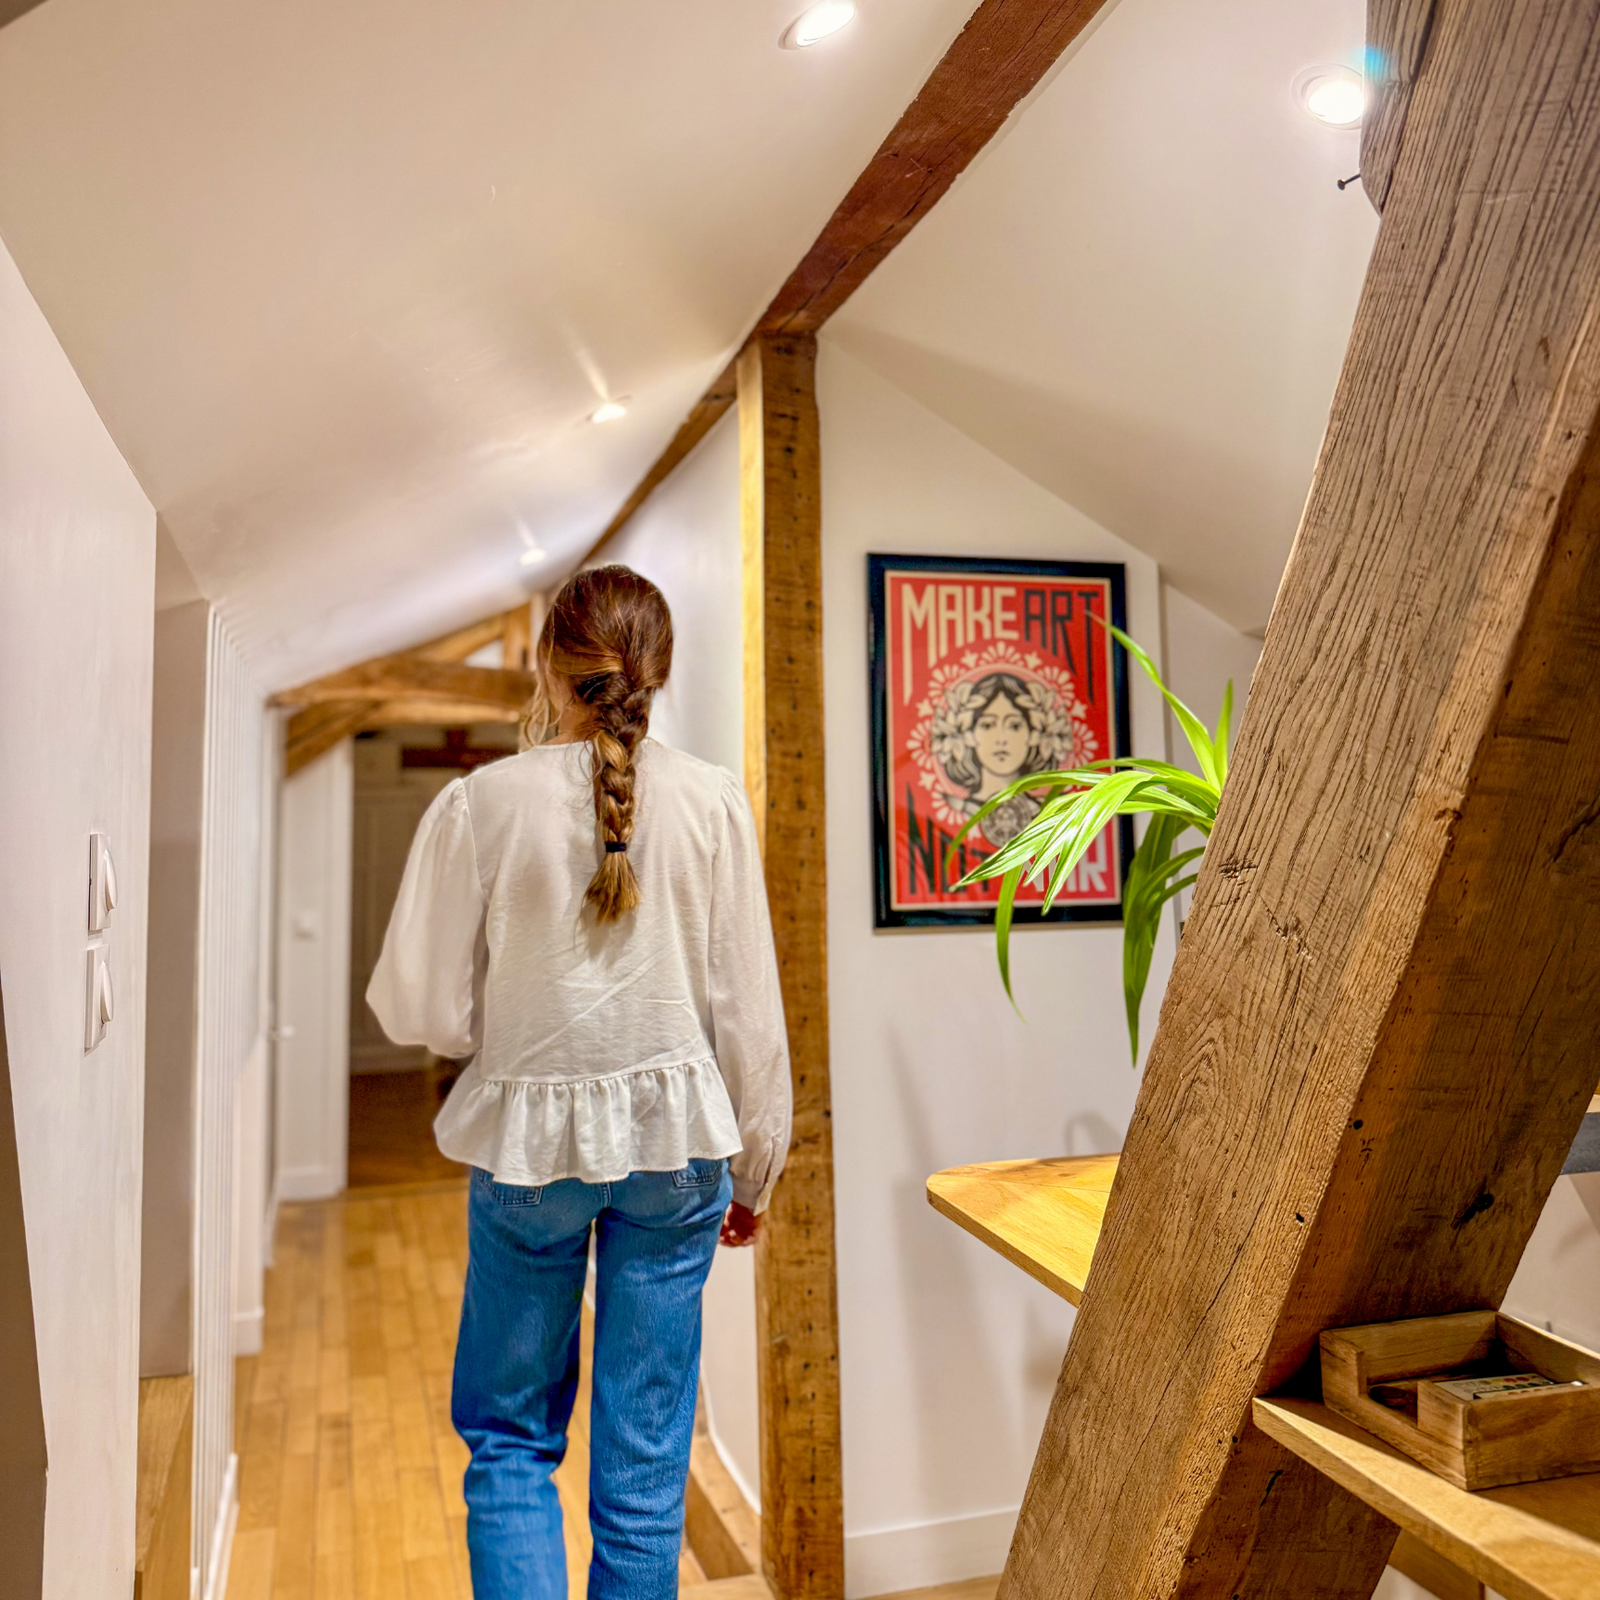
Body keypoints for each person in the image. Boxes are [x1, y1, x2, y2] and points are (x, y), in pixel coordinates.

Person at [367, 565, 791, 1600]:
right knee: (646, 1466)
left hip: (528, 1155)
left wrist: (495, 1031)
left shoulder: (481, 803)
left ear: (547, 666)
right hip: (680, 1155)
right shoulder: (712, 801)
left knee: (510, 1439)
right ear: (658, 672)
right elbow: (748, 1010)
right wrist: (754, 1168)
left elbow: (420, 1008)